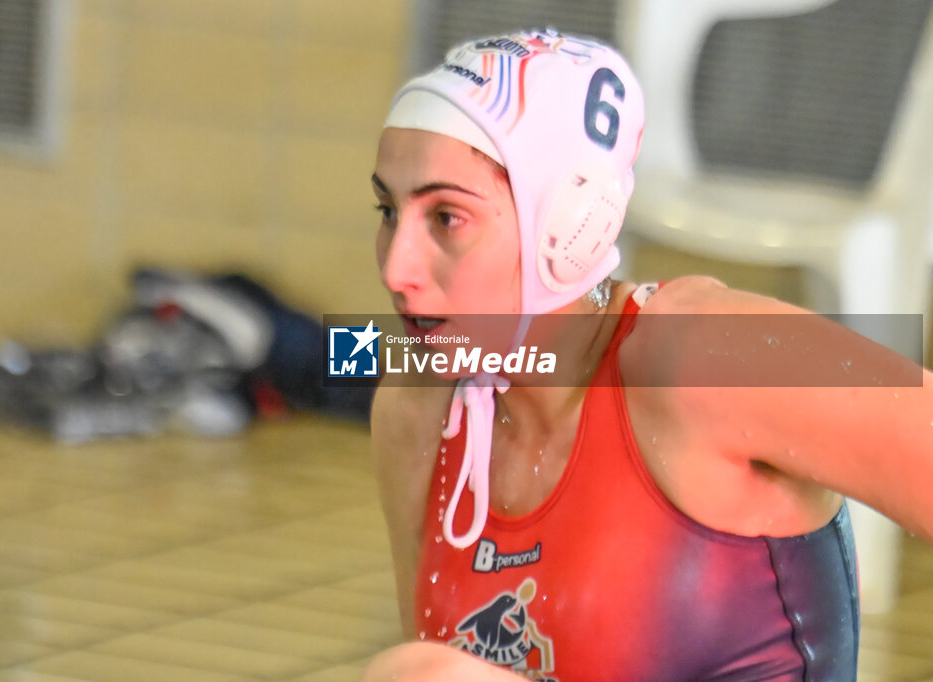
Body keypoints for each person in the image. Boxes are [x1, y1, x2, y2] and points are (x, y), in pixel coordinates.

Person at [362, 28, 933, 681]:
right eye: (387, 211)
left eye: (446, 218)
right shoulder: (417, 412)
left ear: (567, 225)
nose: (397, 267)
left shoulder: (711, 358)